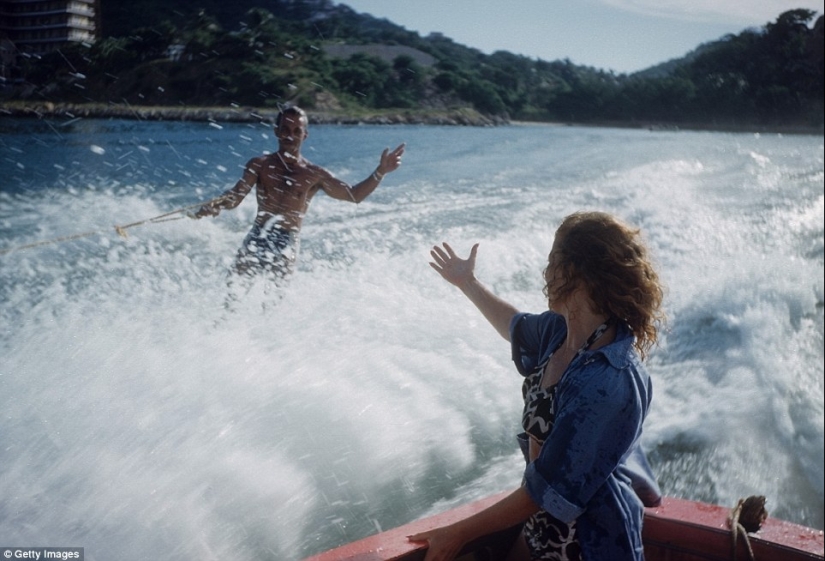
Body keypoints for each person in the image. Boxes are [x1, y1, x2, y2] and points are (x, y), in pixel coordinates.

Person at [410, 211, 665, 561]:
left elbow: (549, 489)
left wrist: (457, 534)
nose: (545, 274)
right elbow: (515, 326)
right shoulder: (559, 333)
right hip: (541, 523)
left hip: (591, 540)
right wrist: (467, 282)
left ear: (577, 273)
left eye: (551, 262)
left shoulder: (610, 381)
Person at [192, 105, 405, 282]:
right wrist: (216, 205)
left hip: (287, 240)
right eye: (285, 129)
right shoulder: (259, 165)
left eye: (296, 131)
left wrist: (380, 172)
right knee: (233, 293)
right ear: (276, 131)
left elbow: (354, 195)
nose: (290, 136)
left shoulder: (314, 174)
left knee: (273, 302)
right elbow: (235, 197)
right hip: (258, 235)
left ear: (305, 135)